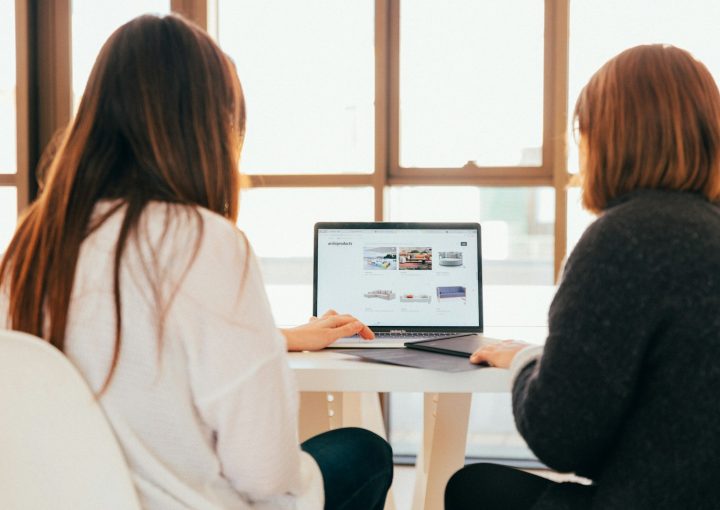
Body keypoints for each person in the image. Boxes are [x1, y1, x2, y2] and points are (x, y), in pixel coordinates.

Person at [0, 14, 391, 510]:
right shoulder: (206, 242)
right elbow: (264, 474)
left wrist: (277, 339)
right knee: (363, 451)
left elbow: (128, 353)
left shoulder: (31, 245)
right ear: (208, 127)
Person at [445, 44, 720, 509]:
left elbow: (561, 438)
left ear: (607, 136)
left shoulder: (624, 239)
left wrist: (526, 360)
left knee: (472, 489)